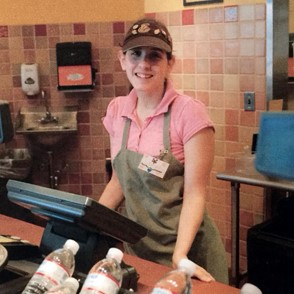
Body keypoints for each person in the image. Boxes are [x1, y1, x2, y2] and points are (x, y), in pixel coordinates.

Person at [99, 18, 229, 284]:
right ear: (122, 59)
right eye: (135, 54)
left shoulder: (189, 113)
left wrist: (179, 255)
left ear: (170, 63)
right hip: (139, 249)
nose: (144, 64)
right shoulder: (117, 111)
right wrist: (89, 221)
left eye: (155, 56)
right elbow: (119, 181)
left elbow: (195, 193)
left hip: (188, 252)